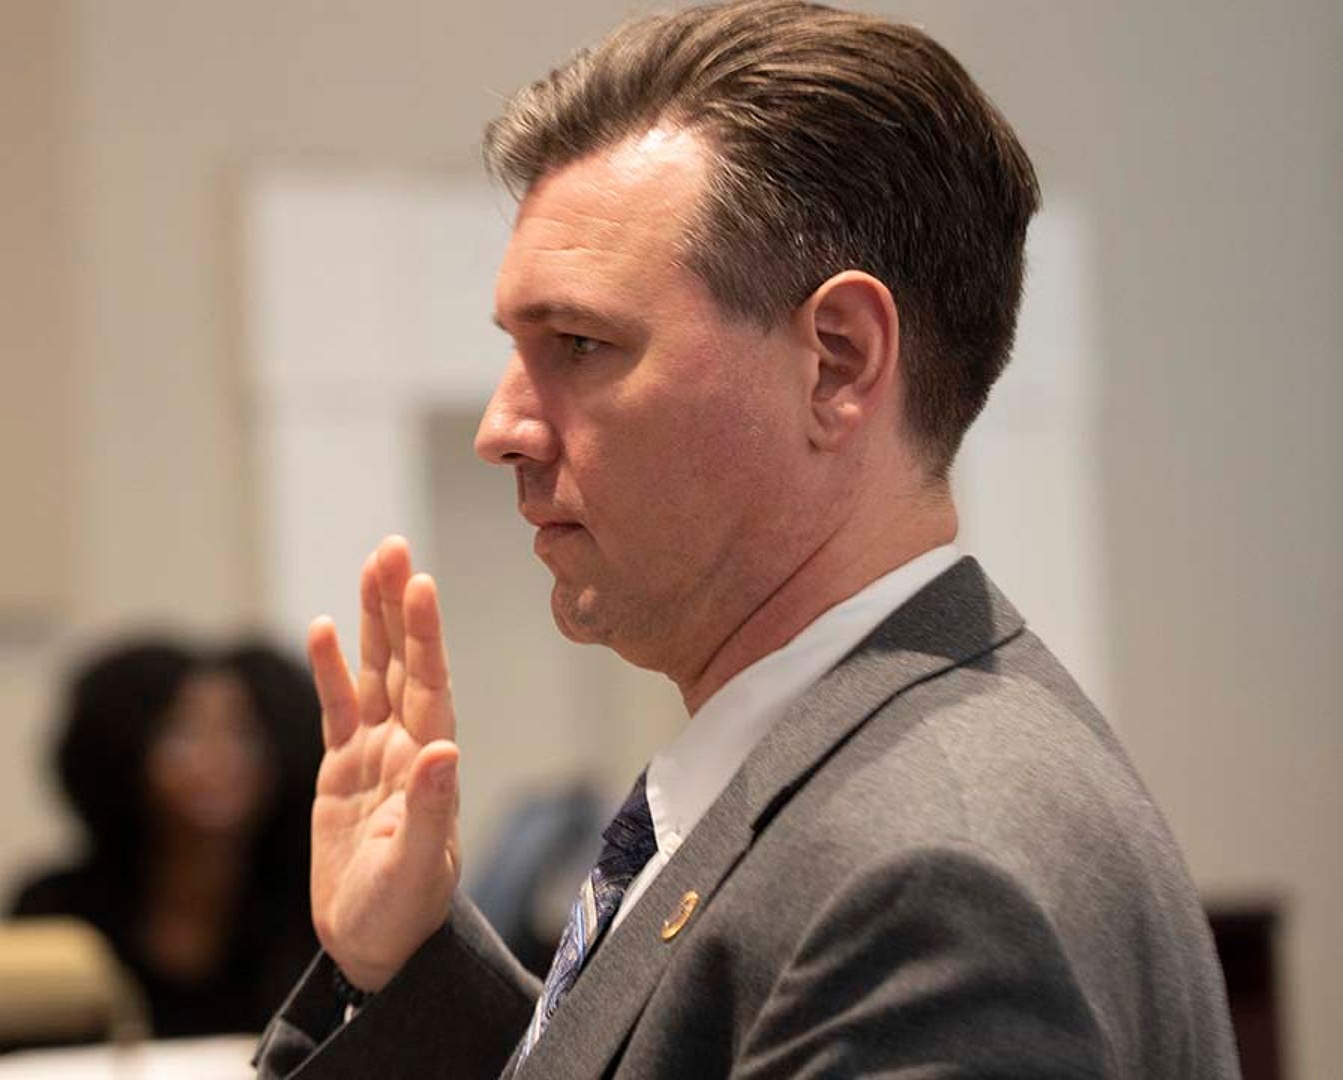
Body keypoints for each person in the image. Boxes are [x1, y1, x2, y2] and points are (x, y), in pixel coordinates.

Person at [253, 2, 1239, 1077]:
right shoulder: (847, 772)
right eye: (516, 349)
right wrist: (404, 967)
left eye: (578, 342)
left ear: (837, 362)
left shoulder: (931, 872)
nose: (502, 428)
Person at [5, 637, 321, 1039]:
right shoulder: (58, 911)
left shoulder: (313, 915)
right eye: (182, 734)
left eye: (244, 734)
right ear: (126, 750)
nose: (217, 758)